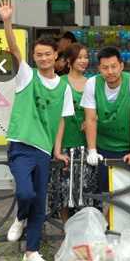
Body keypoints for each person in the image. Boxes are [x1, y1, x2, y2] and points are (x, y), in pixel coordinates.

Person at [0, 0, 74, 261]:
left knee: (40, 205)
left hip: (43, 150)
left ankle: (31, 253)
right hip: (20, 145)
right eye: (38, 54)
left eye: (47, 54)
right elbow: (13, 49)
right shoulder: (27, 76)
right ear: (34, 57)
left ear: (57, 57)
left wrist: (57, 150)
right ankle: (19, 217)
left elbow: (61, 122)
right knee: (27, 194)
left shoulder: (63, 87)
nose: (43, 57)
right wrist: (7, 20)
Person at [82, 47, 130, 199]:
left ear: (121, 66)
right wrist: (92, 150)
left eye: (114, 66)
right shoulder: (92, 83)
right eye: (105, 67)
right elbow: (90, 118)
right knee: (104, 194)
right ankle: (105, 222)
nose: (110, 71)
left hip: (128, 147)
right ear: (99, 68)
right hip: (103, 147)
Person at [51, 43, 99, 220]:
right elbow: (55, 115)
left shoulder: (92, 83)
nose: (84, 61)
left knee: (84, 189)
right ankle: (66, 230)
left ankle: (83, 229)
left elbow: (98, 111)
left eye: (86, 57)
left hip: (86, 144)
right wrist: (56, 149)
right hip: (64, 142)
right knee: (65, 189)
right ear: (69, 60)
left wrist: (94, 121)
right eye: (79, 57)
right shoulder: (60, 82)